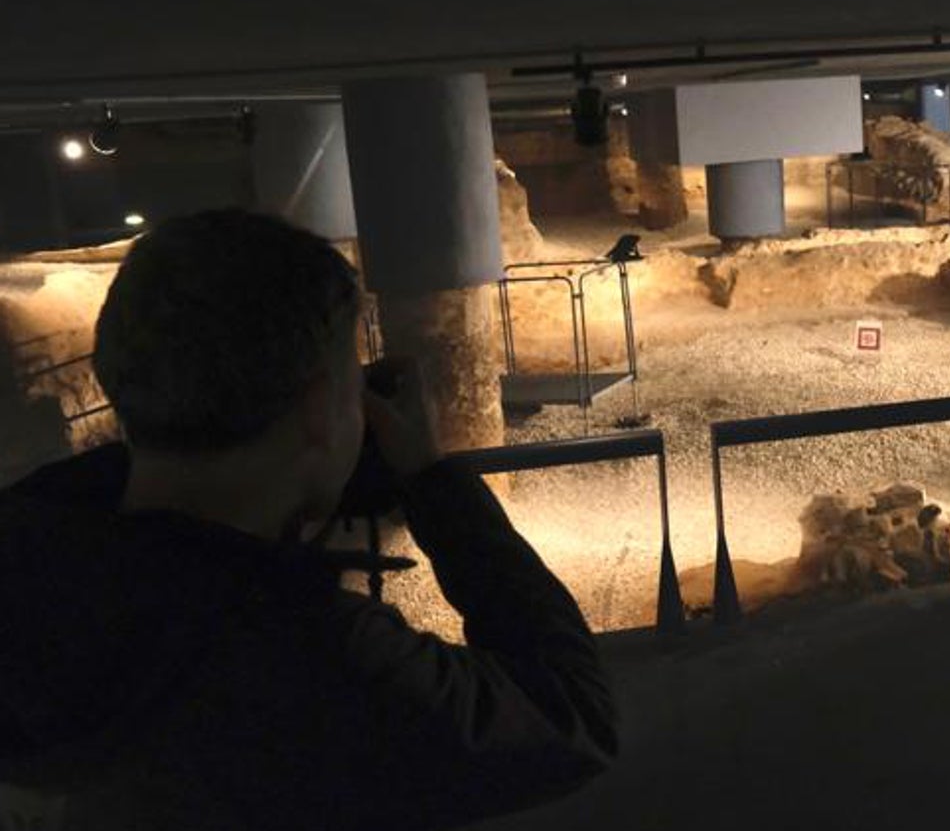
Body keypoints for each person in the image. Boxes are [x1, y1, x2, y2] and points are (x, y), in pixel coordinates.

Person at [0, 210, 618, 830]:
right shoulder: (322, 658)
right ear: (323, 409)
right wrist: (434, 481)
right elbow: (569, 716)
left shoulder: (37, 565)